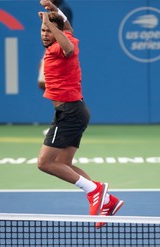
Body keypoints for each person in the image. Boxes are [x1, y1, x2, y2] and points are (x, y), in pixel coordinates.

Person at [37, 0, 123, 228]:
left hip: (70, 111)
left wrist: (50, 21)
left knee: (45, 163)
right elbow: (69, 32)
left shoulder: (62, 47)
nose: (45, 34)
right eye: (43, 30)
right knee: (64, 162)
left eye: (49, 30)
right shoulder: (67, 37)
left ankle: (95, 190)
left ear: (56, 33)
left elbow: (68, 46)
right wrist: (55, 14)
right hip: (75, 111)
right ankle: (106, 200)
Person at [38, 0, 72, 90]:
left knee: (51, 85)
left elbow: (66, 31)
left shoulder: (63, 9)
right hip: (54, 49)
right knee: (45, 84)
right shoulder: (57, 8)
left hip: (58, 50)